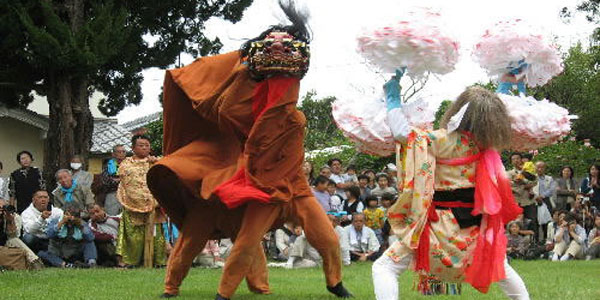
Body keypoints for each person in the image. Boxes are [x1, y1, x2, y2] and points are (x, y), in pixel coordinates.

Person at [146, 3, 351, 298]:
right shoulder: (243, 108)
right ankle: (188, 288)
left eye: (285, 45)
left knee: (327, 240)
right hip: (253, 182)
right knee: (226, 236)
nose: (278, 50)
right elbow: (225, 108)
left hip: (291, 186)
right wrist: (246, 72)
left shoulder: (295, 116)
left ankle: (334, 284)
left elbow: (278, 101)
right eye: (272, 45)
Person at [372, 71, 528, 299]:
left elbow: (402, 133)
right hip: (476, 230)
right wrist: (504, 88)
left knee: (384, 268)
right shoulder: (486, 146)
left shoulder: (443, 140)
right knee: (502, 268)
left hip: (438, 229)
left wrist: (393, 98)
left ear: (459, 111)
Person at [116, 135, 167, 268]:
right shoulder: (126, 164)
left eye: (147, 145)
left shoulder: (157, 161)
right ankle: (131, 262)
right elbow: (129, 183)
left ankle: (158, 262)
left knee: (156, 236)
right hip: (132, 204)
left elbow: (165, 179)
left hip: (154, 205)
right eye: (141, 145)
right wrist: (139, 199)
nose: (145, 147)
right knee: (133, 236)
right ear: (133, 148)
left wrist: (155, 165)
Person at [0, 199, 43, 269]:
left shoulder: (13, 217)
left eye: (3, 207)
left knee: (14, 240)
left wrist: (10, 221)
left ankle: (34, 262)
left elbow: (12, 235)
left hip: (4, 245)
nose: (1, 210)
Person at [507, 153, 538, 243]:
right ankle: (515, 243)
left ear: (521, 160)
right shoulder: (509, 173)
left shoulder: (528, 171)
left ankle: (533, 242)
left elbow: (534, 182)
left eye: (518, 158)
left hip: (529, 201)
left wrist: (522, 181)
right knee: (516, 223)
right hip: (516, 202)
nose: (516, 160)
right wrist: (523, 187)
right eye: (514, 159)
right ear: (511, 162)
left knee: (532, 221)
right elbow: (509, 185)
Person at [92, 145, 126, 216]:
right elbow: (106, 181)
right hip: (112, 194)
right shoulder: (108, 166)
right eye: (119, 152)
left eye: (123, 152)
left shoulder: (129, 165)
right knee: (111, 217)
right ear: (113, 154)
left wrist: (117, 179)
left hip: (126, 195)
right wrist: (122, 179)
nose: (121, 154)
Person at [533, 161, 555, 242]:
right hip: (534, 201)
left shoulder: (549, 178)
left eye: (542, 167)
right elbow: (529, 189)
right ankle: (536, 242)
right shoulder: (531, 178)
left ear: (545, 168)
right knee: (535, 222)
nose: (540, 169)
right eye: (538, 167)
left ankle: (547, 241)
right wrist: (536, 197)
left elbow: (552, 190)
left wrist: (542, 196)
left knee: (547, 222)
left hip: (546, 200)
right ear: (535, 168)